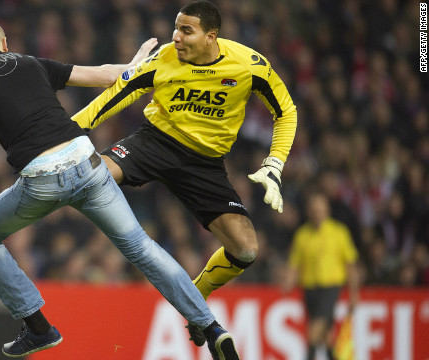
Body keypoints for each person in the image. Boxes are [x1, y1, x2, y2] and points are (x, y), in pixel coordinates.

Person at [0, 19, 239, 359]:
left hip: (43, 179)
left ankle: (38, 328)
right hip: (88, 163)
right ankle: (212, 328)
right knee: (141, 247)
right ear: (5, 43)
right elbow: (109, 74)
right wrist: (139, 59)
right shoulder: (32, 62)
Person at [71, 0, 297, 345]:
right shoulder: (164, 58)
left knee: (247, 249)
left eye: (185, 30)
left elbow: (286, 111)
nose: (175, 37)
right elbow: (118, 94)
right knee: (81, 174)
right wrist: (69, 131)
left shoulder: (249, 66)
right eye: (175, 28)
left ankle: (194, 300)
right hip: (156, 142)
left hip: (204, 164)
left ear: (211, 36)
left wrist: (275, 162)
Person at [283, 191, 359, 360]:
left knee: (313, 332)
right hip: (309, 290)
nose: (316, 213)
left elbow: (351, 265)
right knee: (327, 337)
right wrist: (288, 281)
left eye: (319, 209)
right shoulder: (302, 235)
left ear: (327, 210)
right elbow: (294, 264)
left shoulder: (339, 233)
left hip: (330, 288)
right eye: (313, 210)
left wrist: (354, 294)